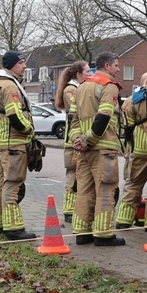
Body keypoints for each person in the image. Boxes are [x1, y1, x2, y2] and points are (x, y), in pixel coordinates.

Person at [70, 51, 125, 246]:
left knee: (84, 189)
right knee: (105, 190)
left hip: (84, 151)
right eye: (117, 66)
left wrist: (78, 139)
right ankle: (104, 234)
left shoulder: (82, 86)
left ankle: (82, 232)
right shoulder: (108, 86)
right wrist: (89, 139)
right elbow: (104, 117)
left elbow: (73, 118)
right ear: (107, 66)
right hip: (103, 148)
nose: (118, 70)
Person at [0, 51, 36, 240]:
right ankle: (13, 228)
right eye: (21, 63)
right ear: (11, 65)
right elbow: (15, 115)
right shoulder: (10, 86)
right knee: (13, 183)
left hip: (3, 141)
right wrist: (29, 130)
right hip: (14, 142)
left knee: (1, 183)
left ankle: (0, 224)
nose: (24, 66)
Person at [117, 67, 147, 231]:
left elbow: (126, 125)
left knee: (133, 184)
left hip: (139, 147)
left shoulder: (132, 99)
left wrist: (129, 143)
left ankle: (124, 220)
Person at [56, 60, 90, 224]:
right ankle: (69, 210)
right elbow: (81, 108)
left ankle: (75, 208)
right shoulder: (71, 89)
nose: (89, 75)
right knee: (73, 176)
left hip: (78, 139)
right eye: (87, 72)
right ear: (78, 74)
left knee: (79, 176)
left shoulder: (78, 88)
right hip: (72, 141)